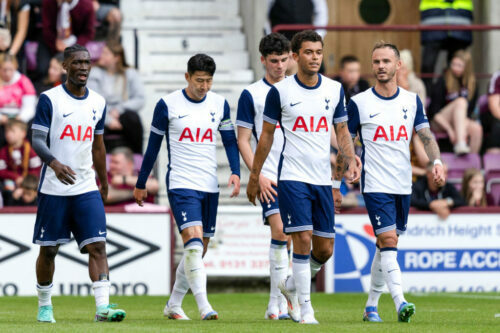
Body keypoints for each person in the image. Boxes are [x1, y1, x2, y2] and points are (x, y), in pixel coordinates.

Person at [247, 30, 360, 324]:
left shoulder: (334, 90)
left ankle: (290, 284)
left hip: (323, 179)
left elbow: (342, 132)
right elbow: (265, 138)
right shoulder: (280, 92)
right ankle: (306, 309)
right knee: (302, 239)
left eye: (318, 52)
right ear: (296, 57)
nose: (314, 58)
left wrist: (344, 172)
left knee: (325, 249)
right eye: (308, 52)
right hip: (292, 177)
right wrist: (254, 175)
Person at [133, 54, 240, 321]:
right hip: (181, 183)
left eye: (209, 81)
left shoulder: (220, 104)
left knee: (198, 250)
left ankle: (173, 304)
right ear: (187, 77)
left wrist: (237, 172)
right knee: (192, 247)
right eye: (199, 80)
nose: (204, 86)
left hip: (209, 185)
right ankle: (205, 307)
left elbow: (229, 141)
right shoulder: (167, 104)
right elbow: (153, 147)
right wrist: (141, 181)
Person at [345, 41, 446, 323]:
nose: (380, 66)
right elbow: (345, 138)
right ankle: (401, 302)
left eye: (386, 61)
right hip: (375, 183)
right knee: (389, 240)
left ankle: (371, 307)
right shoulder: (360, 102)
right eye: (376, 61)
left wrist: (436, 162)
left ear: (398, 65)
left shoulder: (411, 100)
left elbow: (425, 135)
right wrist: (349, 159)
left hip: (403, 183)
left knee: (385, 245)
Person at [30, 44, 125, 323]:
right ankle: (45, 305)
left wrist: (103, 180)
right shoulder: (50, 99)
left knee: (98, 246)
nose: (83, 67)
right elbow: (37, 139)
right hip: (54, 188)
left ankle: (103, 308)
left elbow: (98, 145)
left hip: (85, 187)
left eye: (86, 62)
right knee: (49, 250)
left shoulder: (98, 102)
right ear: (64, 66)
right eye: (76, 63)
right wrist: (55, 163)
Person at [236, 32, 290, 320]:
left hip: (298, 173)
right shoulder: (252, 94)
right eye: (273, 61)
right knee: (280, 231)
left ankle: (285, 301)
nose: (279, 66)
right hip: (269, 173)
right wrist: (256, 177)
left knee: (295, 239)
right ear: (262, 60)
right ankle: (274, 305)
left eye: (283, 59)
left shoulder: (297, 90)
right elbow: (243, 139)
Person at [87, 41, 145, 154]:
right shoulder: (94, 73)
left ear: (116, 57)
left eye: (106, 53)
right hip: (102, 115)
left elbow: (140, 99)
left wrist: (118, 110)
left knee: (133, 118)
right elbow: (93, 103)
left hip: (122, 115)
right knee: (92, 120)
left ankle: (138, 158)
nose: (101, 56)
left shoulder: (130, 73)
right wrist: (108, 120)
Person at [427, 50, 482, 155]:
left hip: (460, 121)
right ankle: (460, 143)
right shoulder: (443, 80)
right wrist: (451, 130)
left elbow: (469, 113)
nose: (455, 68)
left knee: (477, 129)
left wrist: (461, 127)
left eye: (459, 65)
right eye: (453, 64)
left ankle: (472, 163)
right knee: (461, 102)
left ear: (467, 67)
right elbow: (433, 113)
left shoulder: (472, 83)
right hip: (440, 121)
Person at [419, 0, 474, 94]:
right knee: (427, 65)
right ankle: (426, 98)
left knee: (456, 65)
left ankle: (453, 95)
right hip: (433, 21)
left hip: (459, 22)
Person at [37, 0, 95, 79]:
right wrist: (55, 42)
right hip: (51, 40)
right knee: (43, 69)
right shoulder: (49, 2)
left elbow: (88, 33)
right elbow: (47, 28)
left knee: (70, 71)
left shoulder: (86, 5)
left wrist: (74, 47)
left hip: (75, 44)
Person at [0, 119, 41, 192]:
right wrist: (16, 177)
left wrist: (24, 181)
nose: (8, 134)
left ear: (23, 133)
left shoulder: (31, 150)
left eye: (12, 131)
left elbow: (36, 169)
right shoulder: (4, 151)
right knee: (8, 189)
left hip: (29, 181)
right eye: (7, 131)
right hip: (11, 181)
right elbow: (1, 170)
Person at [480, 70, 500, 154]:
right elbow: (494, 108)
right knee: (497, 127)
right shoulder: (497, 76)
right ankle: (494, 164)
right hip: (494, 116)